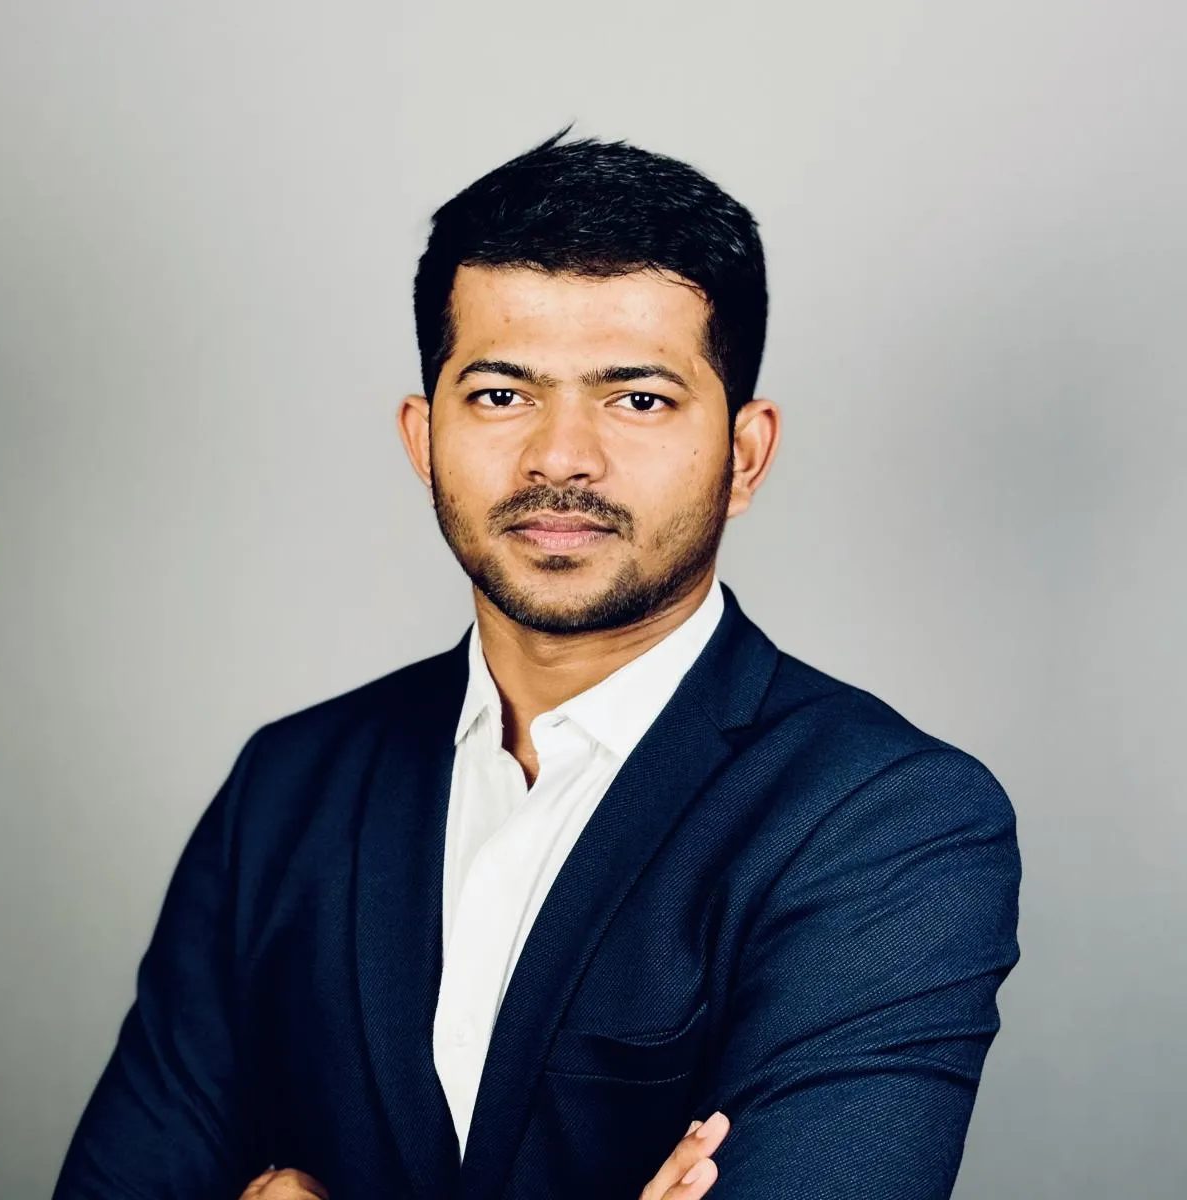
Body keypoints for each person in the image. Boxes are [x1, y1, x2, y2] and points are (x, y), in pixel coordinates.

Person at [52, 130, 1022, 1200]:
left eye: (639, 398)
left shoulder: (887, 821)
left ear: (744, 455)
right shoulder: (286, 789)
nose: (561, 457)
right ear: (423, 439)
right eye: (502, 395)